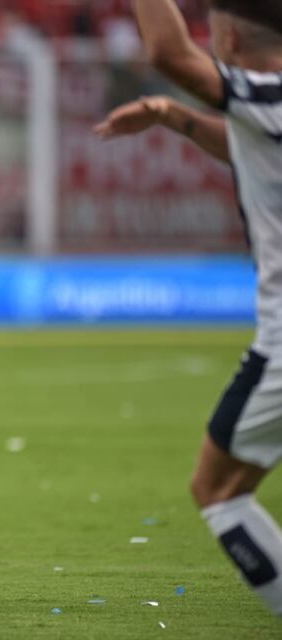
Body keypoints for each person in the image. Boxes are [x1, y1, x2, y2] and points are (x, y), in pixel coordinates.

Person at [95, 0, 282, 616]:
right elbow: (252, 147)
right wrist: (176, 117)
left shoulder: (264, 89)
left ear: (226, 33)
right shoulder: (268, 107)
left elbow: (171, 54)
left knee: (219, 489)